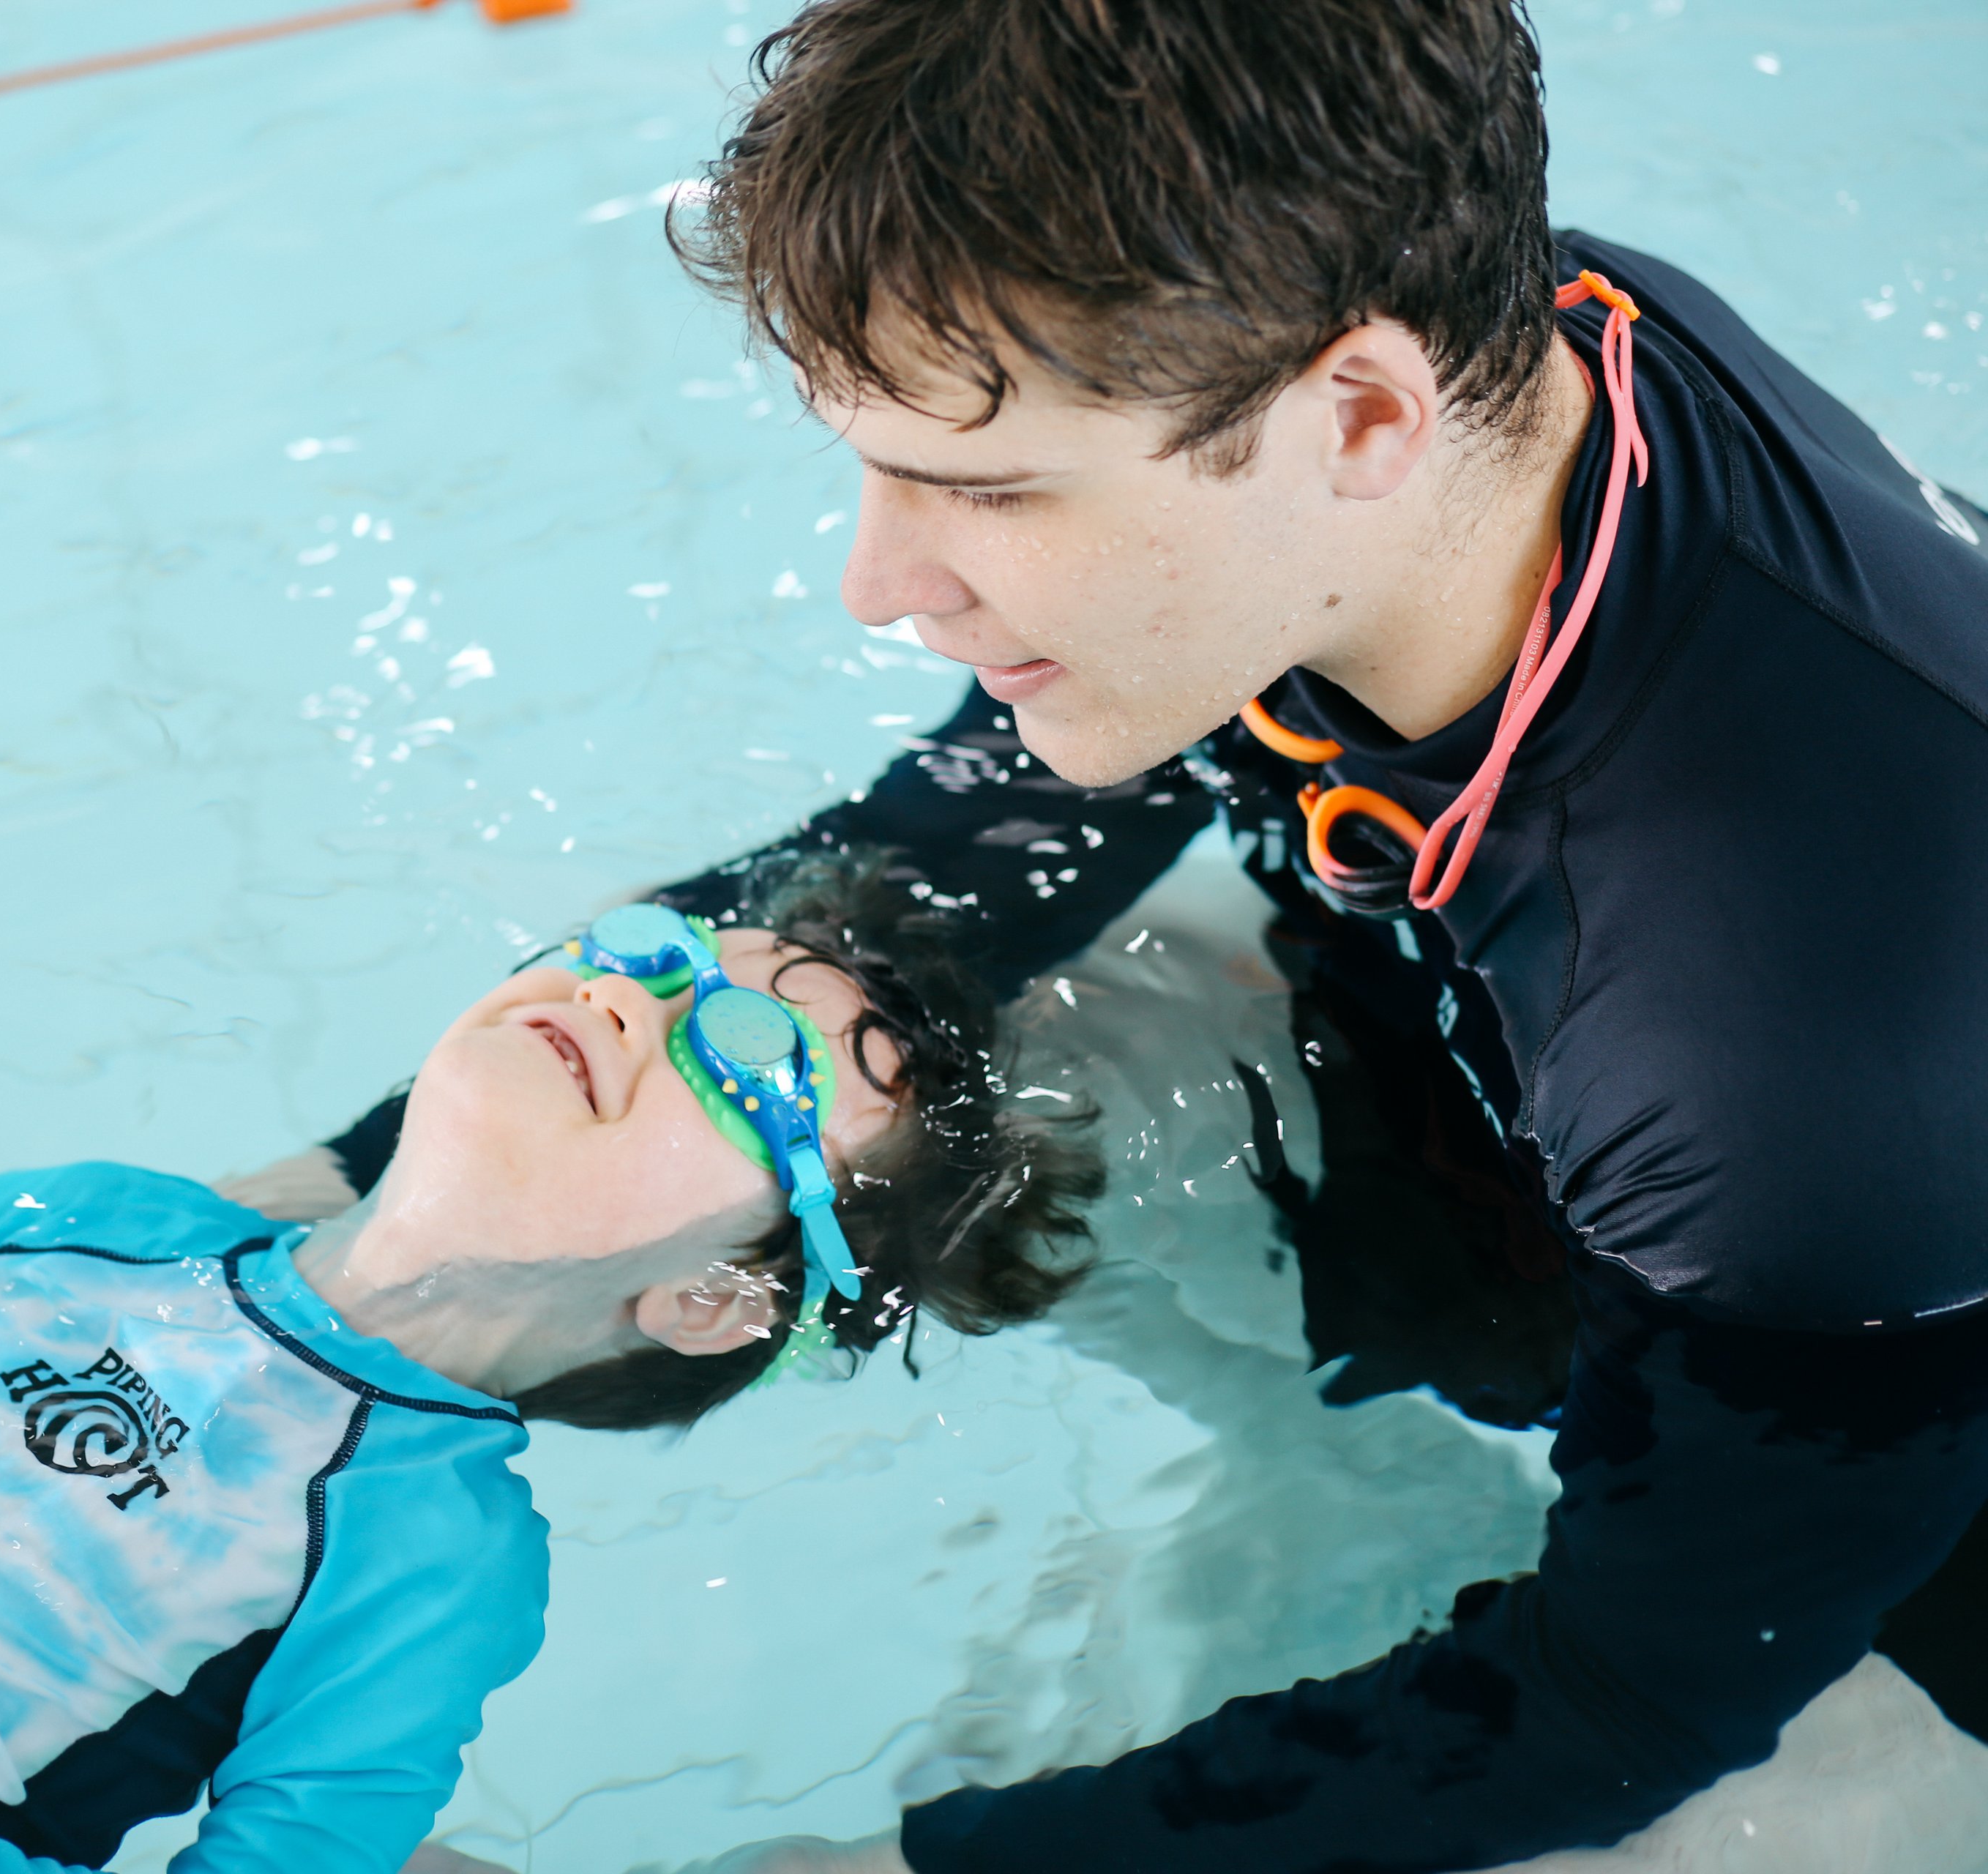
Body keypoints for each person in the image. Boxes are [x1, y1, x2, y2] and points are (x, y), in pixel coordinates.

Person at [299, 1, 1988, 1868]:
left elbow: (1617, 1701)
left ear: (1357, 419)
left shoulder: (1782, 1071)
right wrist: (299, 1204)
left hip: (1887, 1448)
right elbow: (960, 842)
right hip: (1519, 1124)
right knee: (843, 1064)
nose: (881, 583)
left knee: (1747, 1819)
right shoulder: (1498, 344)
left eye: (994, 488)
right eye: (881, 465)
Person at [0, 856, 1100, 1874]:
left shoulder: (431, 1558)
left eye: (750, 1052)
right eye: (657, 947)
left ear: (711, 1299)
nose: (635, 990)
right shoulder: (91, 1215)